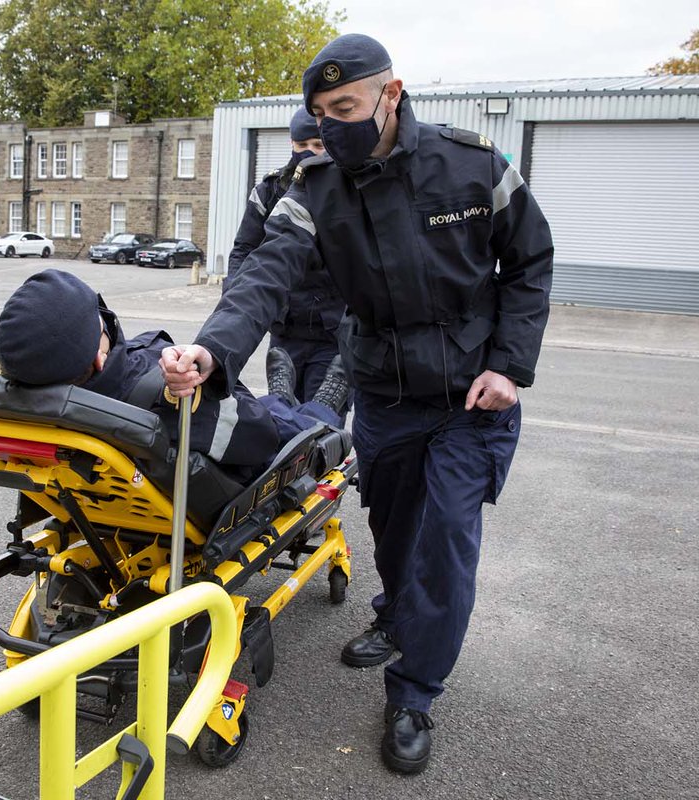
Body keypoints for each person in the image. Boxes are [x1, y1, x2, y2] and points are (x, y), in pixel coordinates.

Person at [160, 33, 553, 774]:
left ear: (391, 93)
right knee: (396, 531)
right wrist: (210, 352)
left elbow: (530, 261)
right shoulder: (315, 187)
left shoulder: (472, 167)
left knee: (444, 547)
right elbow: (264, 273)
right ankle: (398, 620)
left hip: (471, 399)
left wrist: (509, 365)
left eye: (345, 105)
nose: (333, 122)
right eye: (320, 110)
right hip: (384, 395)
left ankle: (413, 694)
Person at [0, 269, 350, 481]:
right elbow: (261, 437)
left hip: (110, 492)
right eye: (100, 320)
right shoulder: (162, 392)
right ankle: (324, 404)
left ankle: (283, 396)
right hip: (237, 461)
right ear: (100, 358)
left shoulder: (15, 406)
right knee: (294, 424)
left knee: (273, 405)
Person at [225, 108, 351, 426]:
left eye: (320, 146)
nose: (311, 153)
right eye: (303, 145)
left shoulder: (351, 190)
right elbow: (244, 250)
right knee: (281, 418)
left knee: (323, 423)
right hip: (285, 328)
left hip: (333, 332)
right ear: (291, 142)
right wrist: (233, 304)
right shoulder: (268, 191)